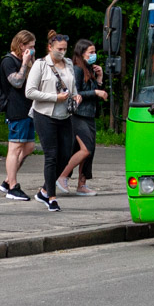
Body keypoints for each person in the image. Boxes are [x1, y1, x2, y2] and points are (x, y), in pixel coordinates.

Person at [25, 31, 81, 212]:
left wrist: (76, 96)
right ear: (50, 47)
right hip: (44, 114)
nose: (62, 52)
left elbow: (72, 88)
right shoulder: (41, 65)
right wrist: (54, 97)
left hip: (64, 115)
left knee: (65, 156)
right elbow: (30, 92)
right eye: (59, 49)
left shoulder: (69, 64)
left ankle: (43, 190)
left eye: (65, 49)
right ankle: (51, 197)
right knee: (51, 155)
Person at [57, 39, 108, 196]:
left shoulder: (89, 69)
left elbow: (93, 92)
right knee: (85, 149)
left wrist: (99, 80)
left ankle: (82, 184)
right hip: (78, 115)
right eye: (90, 52)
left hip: (89, 115)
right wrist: (96, 92)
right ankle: (62, 176)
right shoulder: (77, 70)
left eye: (94, 52)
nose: (94, 55)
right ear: (81, 53)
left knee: (90, 150)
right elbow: (75, 93)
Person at [0, 31, 36, 201]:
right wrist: (25, 63)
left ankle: (7, 180)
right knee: (15, 148)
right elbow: (17, 82)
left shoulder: (25, 61)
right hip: (16, 109)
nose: (33, 50)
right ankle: (13, 186)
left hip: (28, 109)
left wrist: (30, 63)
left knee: (29, 147)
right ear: (22, 46)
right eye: (31, 46)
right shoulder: (8, 61)